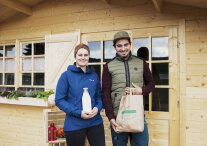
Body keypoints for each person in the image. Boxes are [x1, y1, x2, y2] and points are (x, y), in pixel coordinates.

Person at [102, 31, 154, 146]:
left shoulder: (141, 63)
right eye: (119, 46)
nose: (123, 48)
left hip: (138, 114)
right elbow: (105, 94)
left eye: (126, 45)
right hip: (117, 116)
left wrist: (142, 91)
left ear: (130, 45)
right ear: (115, 47)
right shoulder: (108, 66)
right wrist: (111, 117)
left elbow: (151, 84)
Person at [55, 43, 105, 146]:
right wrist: (78, 113)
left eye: (86, 55)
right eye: (80, 55)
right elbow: (59, 100)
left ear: (89, 57)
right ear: (75, 56)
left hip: (95, 122)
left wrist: (97, 108)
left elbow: (99, 96)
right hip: (74, 124)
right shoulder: (66, 76)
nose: (83, 58)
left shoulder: (94, 76)